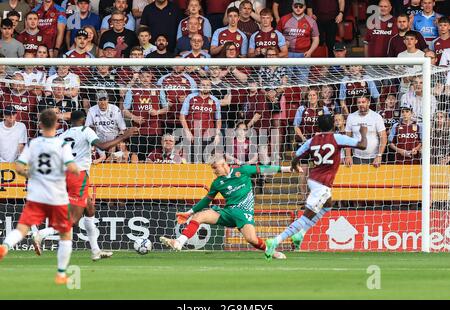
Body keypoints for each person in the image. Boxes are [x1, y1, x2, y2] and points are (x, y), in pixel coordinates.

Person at [32, 110, 139, 261]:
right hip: (78, 176)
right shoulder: (86, 130)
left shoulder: (62, 136)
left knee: (89, 210)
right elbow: (103, 146)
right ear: (83, 120)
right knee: (73, 221)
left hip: (63, 176)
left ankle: (95, 251)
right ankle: (41, 234)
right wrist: (124, 136)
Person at [264, 114, 368, 258]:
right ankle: (275, 241)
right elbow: (363, 145)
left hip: (313, 179)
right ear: (332, 125)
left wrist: (295, 166)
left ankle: (300, 234)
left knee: (327, 205)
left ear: (318, 127)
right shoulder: (337, 138)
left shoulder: (312, 141)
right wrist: (363, 132)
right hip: (322, 184)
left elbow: (296, 156)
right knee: (306, 217)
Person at [0, 109, 79, 285]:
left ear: (40, 125)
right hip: (57, 196)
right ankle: (60, 273)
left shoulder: (33, 144)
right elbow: (74, 169)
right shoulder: (62, 145)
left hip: (36, 195)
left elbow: (19, 167)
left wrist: (32, 174)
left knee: (22, 228)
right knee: (66, 233)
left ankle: (4, 246)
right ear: (57, 124)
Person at [160, 155, 289, 259]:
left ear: (223, 164)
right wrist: (189, 212)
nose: (214, 171)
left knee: (252, 239)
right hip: (227, 212)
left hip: (244, 213)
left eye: (215, 168)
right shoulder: (217, 183)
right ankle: (179, 242)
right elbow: (207, 200)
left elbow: (265, 168)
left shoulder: (242, 171)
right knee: (199, 216)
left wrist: (287, 169)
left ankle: (271, 251)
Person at [345, 95, 387, 168]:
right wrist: (348, 155)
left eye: (363, 102)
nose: (361, 104)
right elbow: (347, 138)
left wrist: (379, 155)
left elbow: (383, 138)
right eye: (359, 102)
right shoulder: (351, 117)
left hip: (374, 158)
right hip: (356, 158)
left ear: (369, 103)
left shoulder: (376, 117)